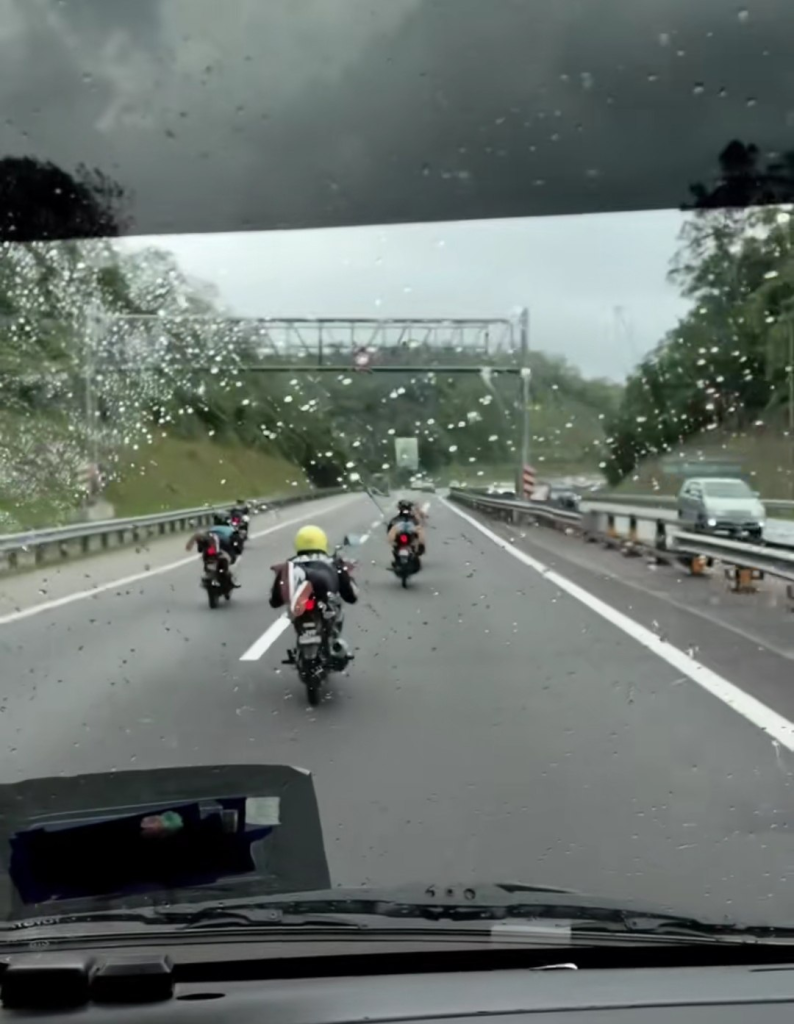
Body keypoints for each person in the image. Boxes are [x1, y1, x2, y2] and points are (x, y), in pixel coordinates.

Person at [270, 525, 358, 664]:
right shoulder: (333, 562)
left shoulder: (290, 564)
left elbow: (275, 599)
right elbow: (350, 595)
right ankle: (333, 639)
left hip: (302, 606)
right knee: (337, 607)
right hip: (324, 605)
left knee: (293, 608)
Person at [186, 522, 242, 586]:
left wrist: (212, 554)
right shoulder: (197, 538)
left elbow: (216, 549)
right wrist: (193, 541)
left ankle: (231, 578)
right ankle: (207, 574)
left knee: (225, 559)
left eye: (201, 538)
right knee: (206, 559)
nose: (200, 539)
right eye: (198, 539)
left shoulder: (213, 538)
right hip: (209, 550)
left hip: (222, 548)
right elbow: (188, 548)